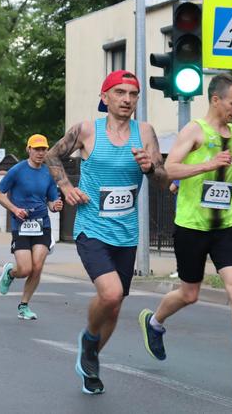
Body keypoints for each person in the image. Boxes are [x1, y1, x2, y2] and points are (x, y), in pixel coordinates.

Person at [137, 73, 232, 387]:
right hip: (191, 226)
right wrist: (205, 164)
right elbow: (168, 168)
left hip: (225, 227)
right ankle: (155, 322)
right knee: (190, 294)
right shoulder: (194, 131)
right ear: (216, 100)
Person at [45, 70, 167, 395]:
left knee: (116, 303)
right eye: (120, 93)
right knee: (110, 294)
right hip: (91, 228)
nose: (127, 99)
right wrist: (67, 187)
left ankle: (90, 359)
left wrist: (151, 168)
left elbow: (164, 181)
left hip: (126, 233)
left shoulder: (146, 133)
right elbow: (52, 155)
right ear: (105, 97)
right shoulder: (87, 130)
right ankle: (89, 339)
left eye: (133, 94)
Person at [0, 134, 63, 320]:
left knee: (37, 267)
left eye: (43, 149)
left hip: (42, 224)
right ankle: (10, 272)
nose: (40, 153)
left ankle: (24, 305)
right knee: (25, 269)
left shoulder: (48, 173)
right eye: (37, 149)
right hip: (21, 225)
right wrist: (15, 209)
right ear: (29, 149)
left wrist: (55, 206)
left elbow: (51, 200)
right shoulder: (17, 170)